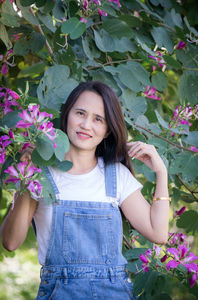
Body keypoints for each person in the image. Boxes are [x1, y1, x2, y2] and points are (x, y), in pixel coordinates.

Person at [0, 81, 170, 299]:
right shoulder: (41, 175)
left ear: (108, 129)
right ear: (67, 114)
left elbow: (158, 233)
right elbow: (10, 242)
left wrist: (161, 172)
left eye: (98, 119)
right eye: (80, 113)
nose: (86, 125)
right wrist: (26, 174)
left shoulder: (116, 175)